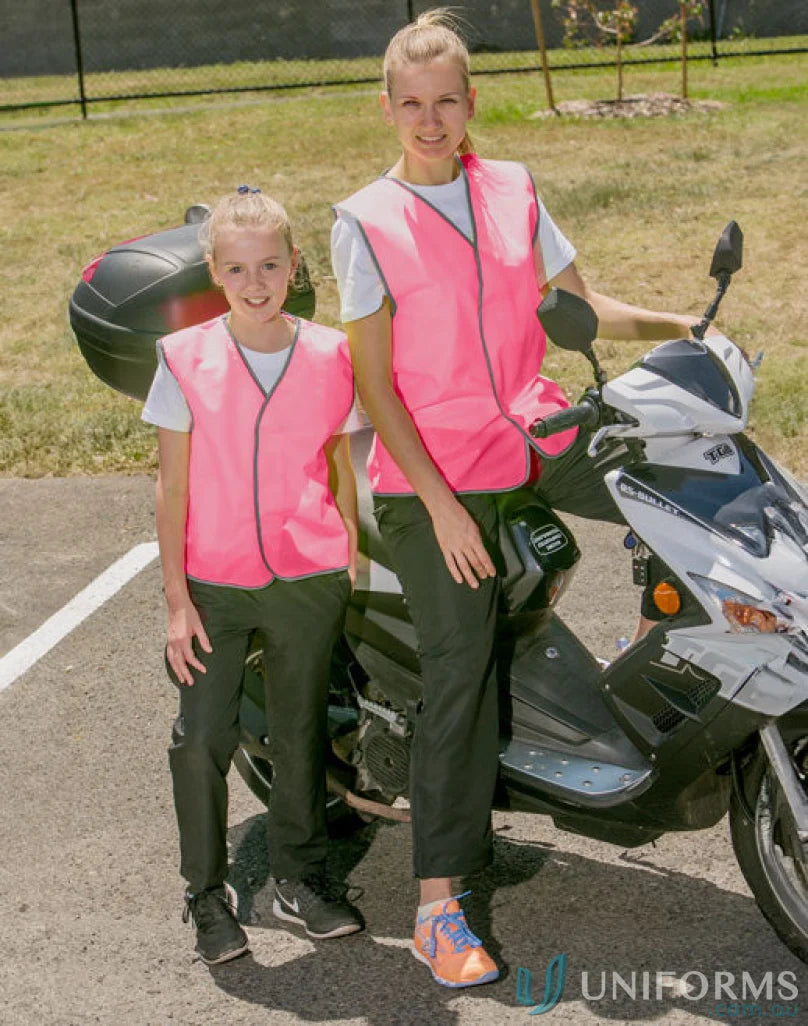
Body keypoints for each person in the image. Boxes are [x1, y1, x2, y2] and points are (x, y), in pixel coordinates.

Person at [331, 10, 708, 989]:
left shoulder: (513, 188)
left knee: (675, 472)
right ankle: (438, 906)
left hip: (530, 432)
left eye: (445, 102)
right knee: (459, 674)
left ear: (470, 103)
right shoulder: (365, 221)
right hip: (432, 473)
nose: (430, 120)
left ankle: (657, 655)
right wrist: (441, 506)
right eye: (411, 104)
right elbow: (374, 386)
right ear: (387, 108)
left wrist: (680, 327)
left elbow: (581, 305)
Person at [142, 186, 364, 965]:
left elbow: (339, 462)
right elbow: (171, 487)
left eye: (270, 265)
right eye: (237, 269)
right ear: (214, 271)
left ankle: (300, 878)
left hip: (308, 574)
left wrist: (346, 552)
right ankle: (206, 895)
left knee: (300, 733)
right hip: (214, 580)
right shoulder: (183, 358)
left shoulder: (332, 354)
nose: (256, 282)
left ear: (294, 264)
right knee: (202, 736)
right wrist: (177, 602)